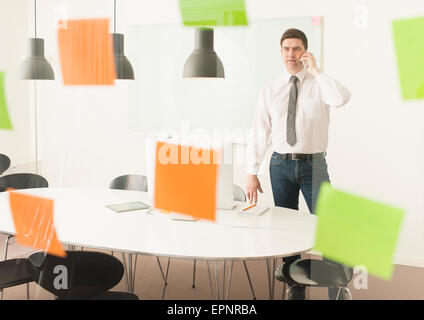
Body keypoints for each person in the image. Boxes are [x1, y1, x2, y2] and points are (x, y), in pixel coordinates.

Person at [246, 28, 351, 299]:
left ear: (305, 52)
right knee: (287, 231)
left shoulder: (320, 84)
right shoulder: (270, 89)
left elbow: (341, 98)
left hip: (313, 165)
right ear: (280, 52)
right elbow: (259, 131)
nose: (291, 53)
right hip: (279, 165)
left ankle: (336, 290)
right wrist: (251, 172)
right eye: (286, 48)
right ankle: (296, 289)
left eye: (296, 49)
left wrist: (316, 70)